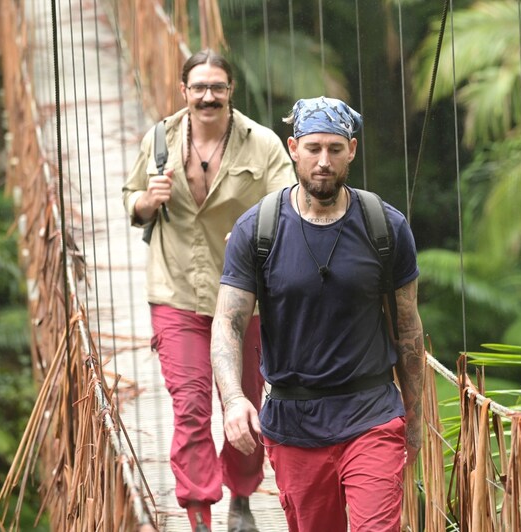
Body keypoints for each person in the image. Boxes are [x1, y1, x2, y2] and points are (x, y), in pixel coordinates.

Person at [210, 96, 425, 532]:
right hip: (295, 423)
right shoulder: (257, 230)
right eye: (313, 149)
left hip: (372, 416)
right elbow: (229, 324)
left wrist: (416, 419)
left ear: (352, 151)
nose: (323, 161)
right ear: (293, 148)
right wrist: (234, 400)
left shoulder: (385, 227)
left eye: (334, 148)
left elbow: (408, 329)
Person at [122, 49, 296, 532]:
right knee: (192, 406)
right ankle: (199, 513)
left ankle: (241, 497)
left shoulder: (260, 144)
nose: (207, 96)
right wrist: (145, 201)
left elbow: (287, 205)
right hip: (176, 294)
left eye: (217, 87)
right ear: (184, 91)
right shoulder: (160, 139)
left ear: (230, 91)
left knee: (246, 403)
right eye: (198, 87)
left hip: (247, 301)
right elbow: (129, 200)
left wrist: (253, 233)